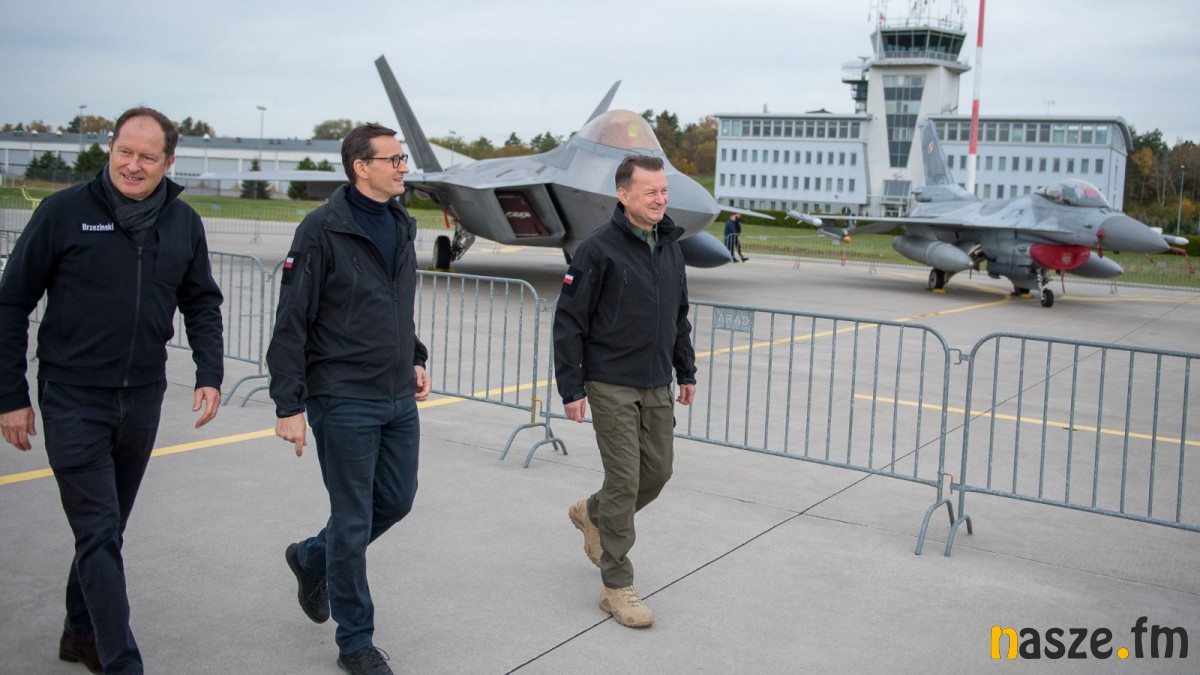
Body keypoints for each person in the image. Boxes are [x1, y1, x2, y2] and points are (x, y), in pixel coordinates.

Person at [0, 106, 224, 674]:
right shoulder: (63, 212)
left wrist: (210, 373)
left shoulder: (183, 222)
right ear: (110, 148)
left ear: (169, 162)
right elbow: (11, 303)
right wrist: (10, 396)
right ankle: (123, 662)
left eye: (148, 156)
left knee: (107, 530)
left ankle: (80, 635)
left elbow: (201, 301)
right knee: (99, 532)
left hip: (143, 397)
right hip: (72, 396)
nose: (133, 165)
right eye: (125, 151)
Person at [267, 123, 430, 675]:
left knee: (397, 500)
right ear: (362, 167)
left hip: (396, 394)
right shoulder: (321, 230)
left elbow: (396, 305)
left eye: (402, 159)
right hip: (342, 397)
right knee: (353, 519)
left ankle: (311, 557)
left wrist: (415, 356)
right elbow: (292, 320)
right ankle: (355, 641)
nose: (403, 167)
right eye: (394, 159)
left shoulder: (401, 224)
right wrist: (289, 405)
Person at [553, 154, 697, 628]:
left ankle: (592, 513)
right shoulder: (597, 250)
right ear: (623, 194)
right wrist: (571, 386)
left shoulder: (670, 247)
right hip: (610, 380)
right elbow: (569, 321)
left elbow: (678, 316)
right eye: (650, 191)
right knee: (623, 481)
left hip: (656, 380)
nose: (660, 199)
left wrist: (686, 370)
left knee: (657, 472)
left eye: (664, 191)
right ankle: (616, 585)